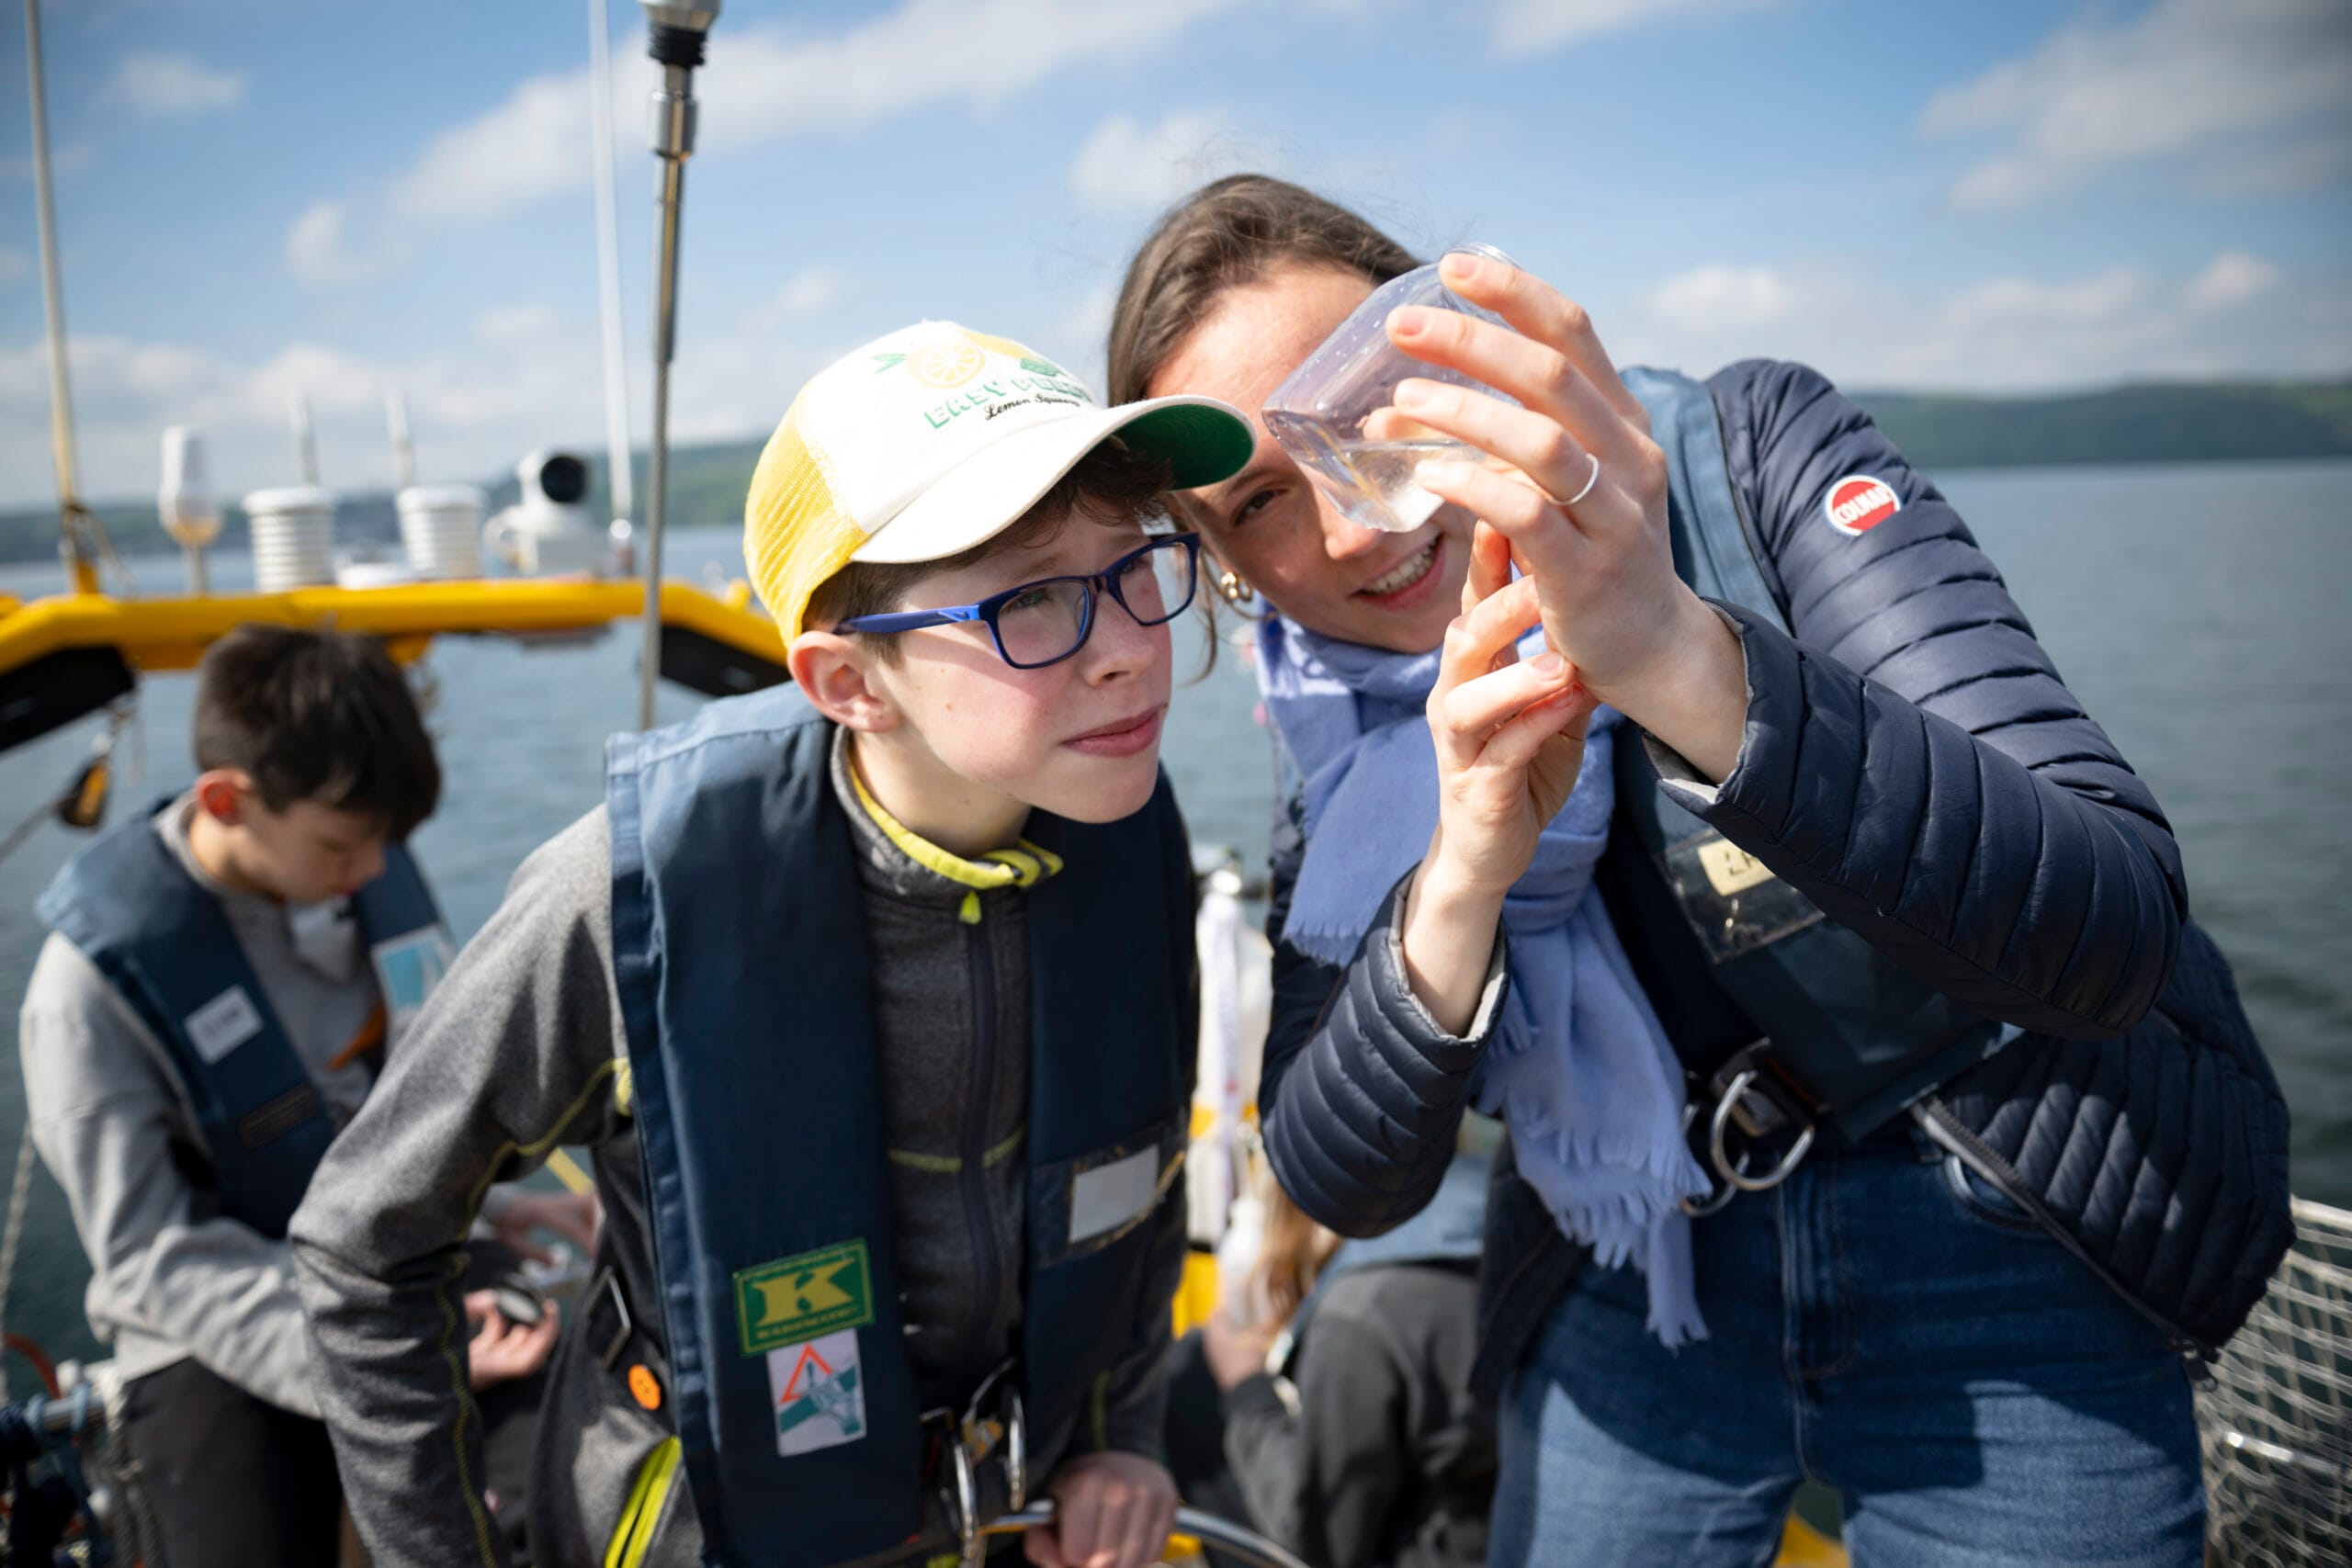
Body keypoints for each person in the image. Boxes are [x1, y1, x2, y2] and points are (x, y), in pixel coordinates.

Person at [1107, 175, 2293, 1566]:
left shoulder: (1748, 452)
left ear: (1456, 337)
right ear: (1223, 563)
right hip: (1633, 1268)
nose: (1357, 527)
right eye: (1257, 504)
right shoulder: (1335, 707)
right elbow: (1338, 1165)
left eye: (1366, 420)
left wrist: (1679, 654)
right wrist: (1461, 874)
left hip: (1996, 1218)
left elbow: (2111, 929)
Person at [288, 320, 1261, 1568]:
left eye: (1137, 565)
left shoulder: (1120, 830)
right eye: (1035, 601)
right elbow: (365, 1237)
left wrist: (1121, 1430)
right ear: (850, 682)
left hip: (1008, 1509)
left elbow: (1135, 1184)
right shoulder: (636, 898)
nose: (1132, 642)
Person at [18, 624, 582, 1567]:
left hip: (409, 1265)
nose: (367, 873)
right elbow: (154, 1254)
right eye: (339, 846)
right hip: (216, 1328)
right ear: (227, 800)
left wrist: (494, 1203)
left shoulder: (364, 865)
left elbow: (423, 1101)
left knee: (562, 1498)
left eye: (382, 844)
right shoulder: (84, 995)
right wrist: (374, 1373)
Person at [1197, 1152, 1495, 1568]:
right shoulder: (1489, 1219)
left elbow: (1319, 1542)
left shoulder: (1358, 1318)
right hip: (1493, 1532)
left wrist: (1245, 1388)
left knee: (1190, 1389)